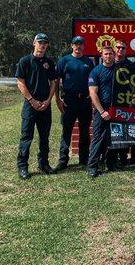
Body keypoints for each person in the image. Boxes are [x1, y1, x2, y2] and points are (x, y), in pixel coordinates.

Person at [15, 33, 57, 179]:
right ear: (34, 43)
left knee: (44, 136)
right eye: (40, 42)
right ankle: (22, 167)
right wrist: (31, 100)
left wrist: (48, 100)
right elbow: (20, 82)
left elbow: (53, 82)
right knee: (27, 136)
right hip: (30, 104)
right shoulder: (25, 61)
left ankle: (44, 164)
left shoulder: (49, 62)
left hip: (45, 104)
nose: (42, 45)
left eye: (45, 42)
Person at [55, 36, 94, 172]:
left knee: (85, 131)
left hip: (84, 101)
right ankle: (62, 161)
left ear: (84, 46)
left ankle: (83, 160)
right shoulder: (64, 60)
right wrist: (57, 99)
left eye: (80, 44)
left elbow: (93, 81)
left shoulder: (88, 62)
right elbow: (56, 80)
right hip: (69, 101)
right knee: (66, 131)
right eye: (75, 44)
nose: (78, 47)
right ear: (71, 46)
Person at [86, 46, 119, 177]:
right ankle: (92, 167)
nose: (108, 56)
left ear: (114, 55)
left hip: (117, 108)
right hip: (102, 108)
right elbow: (93, 93)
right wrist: (101, 111)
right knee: (98, 138)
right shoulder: (96, 71)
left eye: (110, 54)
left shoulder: (119, 70)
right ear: (102, 55)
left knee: (114, 137)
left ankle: (111, 164)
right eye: (105, 54)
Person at [113, 40, 133, 166]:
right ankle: (111, 156)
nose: (120, 49)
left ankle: (123, 156)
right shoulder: (109, 63)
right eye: (118, 47)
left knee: (125, 130)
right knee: (112, 130)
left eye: (123, 48)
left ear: (126, 50)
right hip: (111, 102)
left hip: (126, 102)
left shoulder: (131, 65)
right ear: (115, 49)